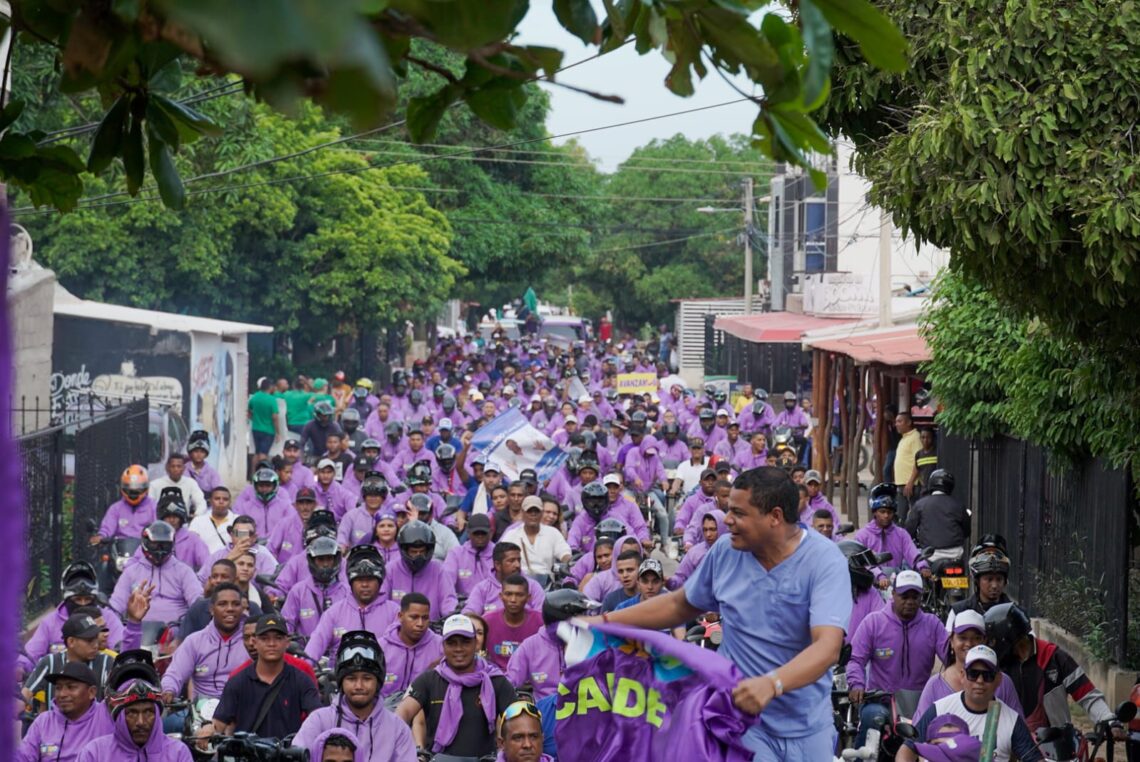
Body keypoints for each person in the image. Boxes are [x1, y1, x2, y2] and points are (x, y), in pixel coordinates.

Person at [589, 466, 851, 759]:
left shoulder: (825, 561)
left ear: (775, 517)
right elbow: (679, 605)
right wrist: (603, 622)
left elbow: (827, 647)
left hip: (809, 727)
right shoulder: (726, 552)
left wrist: (772, 684)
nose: (727, 520)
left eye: (738, 513)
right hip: (742, 725)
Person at [985, 602, 1122, 737]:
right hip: (1011, 744)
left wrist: (1109, 720)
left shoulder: (1054, 657)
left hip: (1057, 745)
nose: (992, 645)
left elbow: (1087, 695)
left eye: (993, 640)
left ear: (1006, 637)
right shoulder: (998, 667)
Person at [846, 570, 947, 745]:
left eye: (915, 597)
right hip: (881, 701)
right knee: (872, 718)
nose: (910, 602)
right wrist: (856, 684)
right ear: (893, 594)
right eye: (904, 596)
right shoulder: (874, 622)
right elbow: (855, 659)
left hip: (921, 703)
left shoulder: (933, 624)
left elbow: (951, 657)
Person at [396, 614, 518, 757]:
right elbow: (401, 713)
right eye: (452, 643)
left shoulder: (496, 681)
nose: (458, 649)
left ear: (475, 643)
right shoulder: (429, 679)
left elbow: (518, 721)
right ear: (443, 645)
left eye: (465, 642)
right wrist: (411, 752)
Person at [898, 645, 1042, 762]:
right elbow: (908, 748)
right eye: (973, 674)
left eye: (988, 675)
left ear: (999, 679)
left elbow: (1033, 757)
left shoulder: (1012, 720)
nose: (979, 681)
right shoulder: (940, 709)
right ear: (963, 676)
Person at [292, 631, 417, 761]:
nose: (359, 686)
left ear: (378, 681)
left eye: (367, 678)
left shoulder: (398, 729)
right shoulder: (318, 721)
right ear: (341, 681)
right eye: (351, 678)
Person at [213, 614, 321, 738]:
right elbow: (219, 723)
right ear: (254, 642)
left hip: (288, 753)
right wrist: (208, 730)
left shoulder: (301, 680)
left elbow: (316, 718)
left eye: (278, 638)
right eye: (264, 638)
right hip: (248, 754)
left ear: (287, 642)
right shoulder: (237, 681)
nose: (271, 644)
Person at [913, 610, 1022, 721]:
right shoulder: (935, 686)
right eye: (962, 638)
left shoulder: (1003, 683)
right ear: (951, 641)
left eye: (976, 638)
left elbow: (1018, 727)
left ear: (985, 641)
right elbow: (919, 732)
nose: (969, 644)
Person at [20, 563, 124, 676]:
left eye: (88, 599)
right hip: (55, 687)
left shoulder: (108, 617)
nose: (83, 604)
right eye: (78, 599)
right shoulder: (50, 622)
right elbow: (30, 655)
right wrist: (20, 667)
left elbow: (124, 650)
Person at [306, 545, 400, 660]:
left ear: (379, 581)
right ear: (351, 582)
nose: (365, 585)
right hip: (339, 676)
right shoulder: (334, 613)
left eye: (370, 579)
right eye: (360, 580)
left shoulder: (395, 612)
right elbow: (314, 647)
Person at [160, 583, 248, 702]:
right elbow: (175, 673)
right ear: (211, 609)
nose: (230, 609)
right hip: (200, 710)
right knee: (166, 721)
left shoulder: (252, 641)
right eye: (222, 604)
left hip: (241, 708)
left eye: (236, 604)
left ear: (242, 609)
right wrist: (168, 690)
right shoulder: (194, 641)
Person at [76, 677, 192, 762]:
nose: (140, 722)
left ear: (157, 715)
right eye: (132, 713)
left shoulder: (178, 753)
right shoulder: (95, 753)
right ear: (120, 716)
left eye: (148, 712)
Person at [507, 589, 592, 701]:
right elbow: (510, 683)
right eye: (579, 615)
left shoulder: (590, 640)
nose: (585, 619)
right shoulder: (530, 646)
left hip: (584, 707)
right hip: (546, 711)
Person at [18, 662, 113, 762]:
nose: (62, 694)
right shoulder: (44, 721)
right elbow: (23, 757)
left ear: (91, 692)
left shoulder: (106, 715)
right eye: (58, 688)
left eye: (71, 687)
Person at [23, 612, 114, 716]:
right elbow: (25, 694)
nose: (96, 645)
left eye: (95, 639)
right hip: (55, 729)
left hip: (95, 730)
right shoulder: (50, 662)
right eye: (89, 641)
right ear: (71, 641)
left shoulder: (106, 662)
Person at [110, 521, 202, 624]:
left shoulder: (184, 572)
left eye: (165, 545)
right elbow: (116, 605)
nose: (160, 550)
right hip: (138, 632)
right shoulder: (131, 572)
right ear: (145, 542)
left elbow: (197, 602)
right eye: (155, 544)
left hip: (176, 632)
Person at [853, 483, 929, 587]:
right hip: (872, 584)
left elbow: (912, 552)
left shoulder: (901, 533)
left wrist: (922, 566)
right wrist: (879, 576)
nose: (886, 515)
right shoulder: (862, 535)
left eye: (889, 512)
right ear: (874, 512)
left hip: (897, 581)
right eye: (882, 511)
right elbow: (862, 562)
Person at [380, 520, 458, 618]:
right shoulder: (391, 569)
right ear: (404, 550)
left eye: (422, 552)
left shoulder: (438, 570)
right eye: (413, 552)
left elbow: (448, 600)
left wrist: (451, 615)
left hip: (431, 628)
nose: (418, 556)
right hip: (397, 628)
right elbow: (382, 602)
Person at [379, 593, 443, 698]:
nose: (420, 624)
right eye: (414, 617)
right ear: (400, 616)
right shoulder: (380, 647)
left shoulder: (441, 646)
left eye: (425, 618)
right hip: (384, 710)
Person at [483, 575, 545, 671]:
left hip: (531, 680)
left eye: (519, 595)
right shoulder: (487, 621)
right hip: (496, 679)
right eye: (508, 594)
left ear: (528, 597)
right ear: (501, 596)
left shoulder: (541, 621)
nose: (513, 600)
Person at [464, 542, 545, 616]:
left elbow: (542, 614)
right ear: (498, 565)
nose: (517, 565)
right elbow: (470, 613)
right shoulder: (482, 588)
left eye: (518, 560)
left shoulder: (533, 586)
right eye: (511, 561)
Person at [905, 469, 968, 562]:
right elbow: (966, 531)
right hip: (956, 554)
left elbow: (909, 529)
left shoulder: (920, 504)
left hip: (929, 555)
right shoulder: (958, 505)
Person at [501, 495, 572, 578]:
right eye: (529, 511)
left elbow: (564, 553)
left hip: (547, 584)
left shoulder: (553, 533)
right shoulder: (511, 535)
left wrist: (567, 562)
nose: (533, 514)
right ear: (522, 513)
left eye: (536, 511)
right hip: (519, 582)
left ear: (541, 513)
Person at [198, 514, 279, 583]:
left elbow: (273, 581)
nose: (243, 537)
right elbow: (202, 580)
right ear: (231, 535)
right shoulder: (218, 554)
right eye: (239, 533)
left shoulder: (263, 554)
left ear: (254, 537)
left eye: (248, 533)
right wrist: (229, 558)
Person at [949, 538, 1013, 621]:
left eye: (999, 579)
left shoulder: (1015, 613)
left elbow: (1030, 634)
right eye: (989, 579)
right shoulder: (958, 611)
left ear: (1005, 581)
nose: (994, 585)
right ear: (977, 581)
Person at [90, 465, 155, 545]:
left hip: (146, 552)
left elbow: (160, 529)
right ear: (123, 487)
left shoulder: (154, 507)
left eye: (138, 489)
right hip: (120, 553)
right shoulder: (116, 508)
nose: (133, 493)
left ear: (146, 488)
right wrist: (101, 536)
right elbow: (107, 528)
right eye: (129, 489)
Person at [443, 513, 495, 598]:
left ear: (490, 533)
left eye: (483, 533)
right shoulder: (456, 553)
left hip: (492, 602)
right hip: (463, 602)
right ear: (468, 532)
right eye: (476, 533)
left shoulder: (498, 553)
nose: (480, 536)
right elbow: (447, 582)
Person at [232, 465, 292, 537]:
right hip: (252, 545)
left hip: (278, 545)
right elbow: (236, 533)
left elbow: (292, 529)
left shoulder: (285, 506)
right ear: (255, 486)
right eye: (261, 486)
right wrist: (252, 537)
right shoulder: (245, 507)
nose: (264, 489)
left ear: (275, 486)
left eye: (268, 486)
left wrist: (274, 539)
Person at [670, 510, 725, 588]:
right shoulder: (694, 553)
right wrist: (670, 582)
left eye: (713, 529)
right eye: (705, 530)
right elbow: (681, 578)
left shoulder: (734, 552)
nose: (708, 534)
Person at [147, 454, 207, 519]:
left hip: (184, 524)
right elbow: (149, 507)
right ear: (167, 468)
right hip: (160, 524)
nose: (176, 469)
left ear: (183, 468)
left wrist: (196, 515)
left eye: (179, 466)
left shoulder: (191, 483)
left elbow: (201, 503)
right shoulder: (155, 484)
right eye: (173, 466)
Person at [188, 487, 236, 554]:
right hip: (204, 562)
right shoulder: (198, 521)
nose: (221, 502)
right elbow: (191, 543)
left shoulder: (238, 521)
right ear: (210, 501)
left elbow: (243, 541)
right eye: (217, 499)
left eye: (225, 499)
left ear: (230, 502)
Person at [893, 412, 921, 520]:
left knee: (913, 516)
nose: (897, 424)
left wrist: (910, 482)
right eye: (896, 422)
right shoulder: (904, 438)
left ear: (909, 422)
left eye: (900, 421)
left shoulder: (915, 437)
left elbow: (918, 461)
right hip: (901, 483)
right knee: (901, 516)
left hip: (910, 484)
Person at [248, 376, 280, 459]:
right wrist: (278, 432)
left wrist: (253, 418)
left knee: (256, 453)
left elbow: (248, 410)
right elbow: (275, 417)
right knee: (263, 453)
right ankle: (262, 470)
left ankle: (253, 471)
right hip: (268, 430)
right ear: (270, 387)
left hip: (256, 428)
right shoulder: (272, 399)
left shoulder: (255, 397)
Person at [906, 428, 939, 498]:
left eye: (928, 437)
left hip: (935, 489)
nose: (925, 440)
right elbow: (917, 470)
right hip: (924, 490)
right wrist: (910, 482)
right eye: (923, 437)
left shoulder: (937, 452)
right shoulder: (918, 454)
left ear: (933, 438)